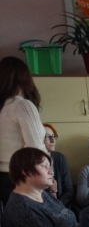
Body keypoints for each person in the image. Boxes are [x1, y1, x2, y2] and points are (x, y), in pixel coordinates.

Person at [0, 56, 45, 203]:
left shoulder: (3, 107)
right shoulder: (21, 105)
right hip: (22, 179)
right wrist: (47, 176)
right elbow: (35, 149)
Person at [42, 123, 74, 212]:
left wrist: (57, 207)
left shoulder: (59, 158)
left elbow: (69, 191)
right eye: (48, 137)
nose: (53, 141)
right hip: (42, 209)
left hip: (62, 207)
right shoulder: (33, 163)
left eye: (54, 136)